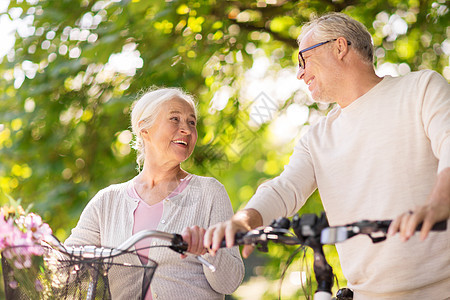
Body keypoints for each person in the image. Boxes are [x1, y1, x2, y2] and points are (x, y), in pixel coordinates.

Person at [204, 12, 450, 299]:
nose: (299, 73)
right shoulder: (317, 138)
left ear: (340, 47)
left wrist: (439, 203)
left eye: (303, 60)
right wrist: (244, 222)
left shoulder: (420, 89)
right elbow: (285, 188)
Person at [65, 87, 244, 299]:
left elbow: (230, 282)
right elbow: (65, 267)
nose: (186, 129)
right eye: (175, 119)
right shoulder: (107, 202)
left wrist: (209, 248)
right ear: (144, 130)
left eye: (192, 122)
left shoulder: (209, 193)